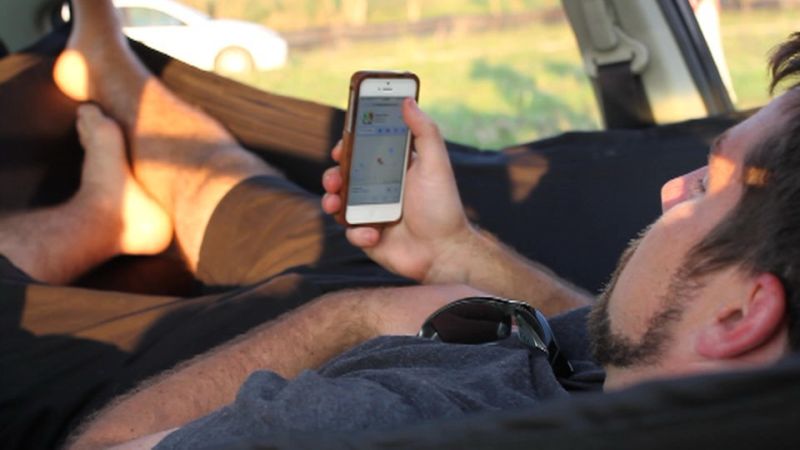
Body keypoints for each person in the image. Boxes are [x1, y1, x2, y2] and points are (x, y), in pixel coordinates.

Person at [2, 1, 798, 449]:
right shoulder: (737, 397)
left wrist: (360, 318)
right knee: (281, 220)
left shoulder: (373, 425)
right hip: (466, 316)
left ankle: (94, 212)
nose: (669, 189)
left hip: (332, 348)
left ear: (740, 314)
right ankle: (118, 134)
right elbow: (648, 342)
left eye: (705, 184)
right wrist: (458, 251)